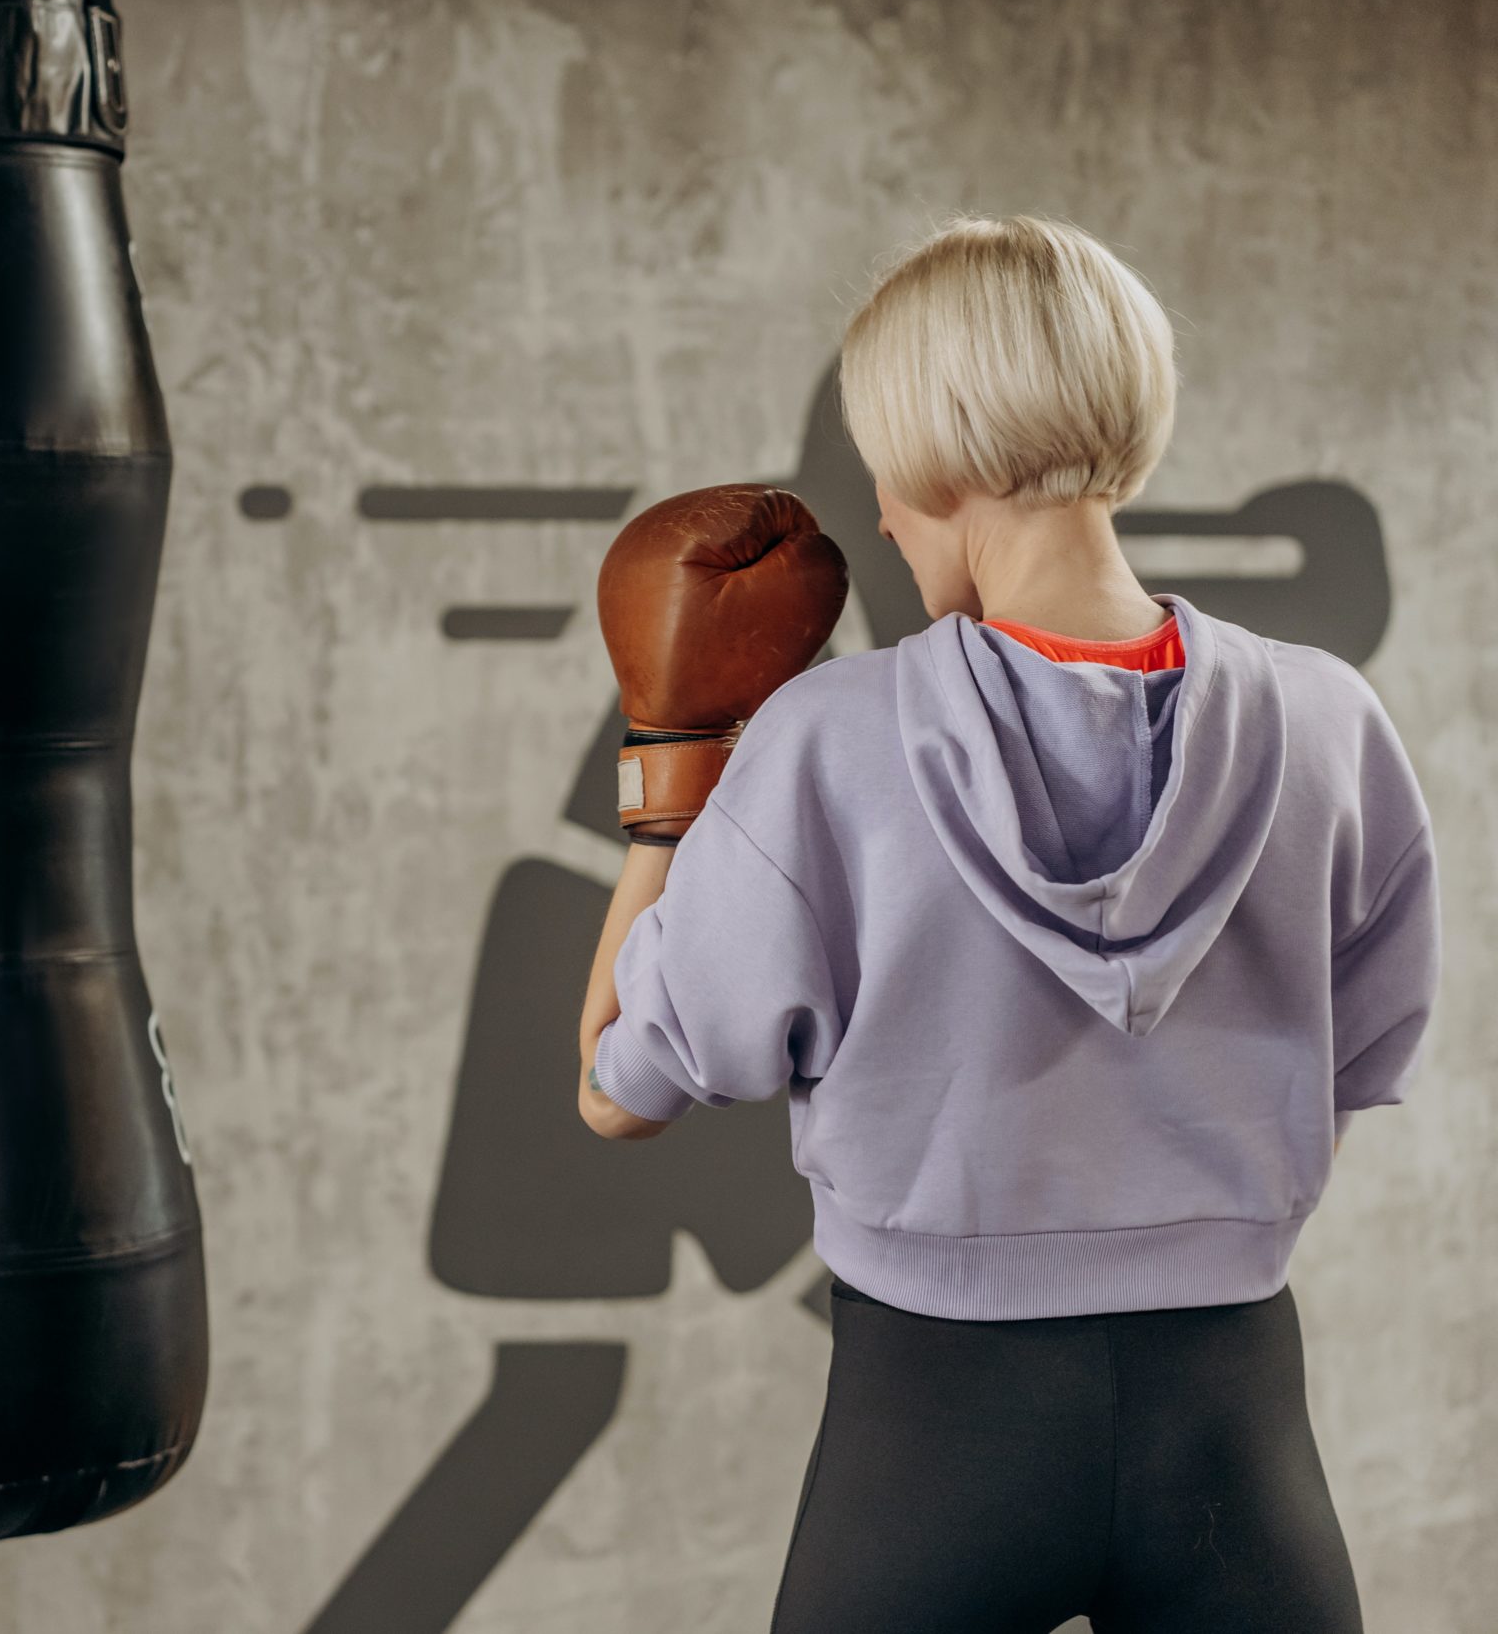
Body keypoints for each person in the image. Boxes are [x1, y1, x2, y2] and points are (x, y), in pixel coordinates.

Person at [576, 216, 1439, 1633]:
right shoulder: (1331, 720)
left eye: (885, 475)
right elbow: (1365, 1059)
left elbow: (621, 1086)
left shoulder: (827, 741)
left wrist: (675, 772)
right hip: (1232, 1434)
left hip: (930, 1434)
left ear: (943, 455)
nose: (886, 519)